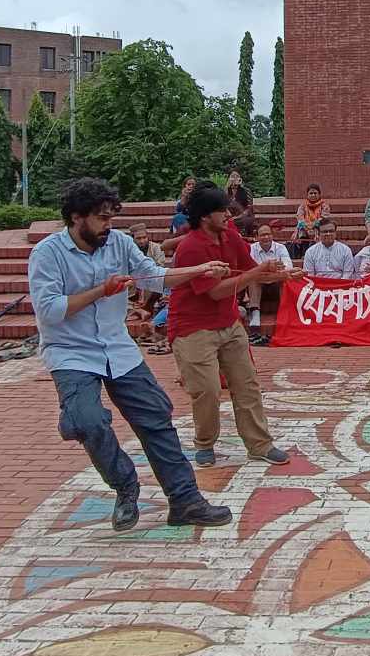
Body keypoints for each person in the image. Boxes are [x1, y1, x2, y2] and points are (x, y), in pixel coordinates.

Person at [29, 177, 233, 531]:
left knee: (156, 416)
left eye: (111, 218)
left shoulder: (119, 243)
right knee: (90, 423)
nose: (109, 226)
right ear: (77, 218)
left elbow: (153, 277)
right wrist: (100, 290)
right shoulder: (47, 254)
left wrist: (198, 270)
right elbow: (49, 310)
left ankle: (184, 499)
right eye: (102, 218)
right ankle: (125, 486)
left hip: (117, 347)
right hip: (70, 352)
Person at [168, 182, 293, 468]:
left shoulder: (230, 237)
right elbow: (216, 291)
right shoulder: (190, 248)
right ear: (204, 217)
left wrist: (284, 275)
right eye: (221, 210)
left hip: (228, 322)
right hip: (192, 328)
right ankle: (205, 443)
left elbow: (251, 271)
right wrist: (257, 274)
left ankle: (260, 444)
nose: (228, 215)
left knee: (247, 384)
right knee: (208, 390)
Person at [245, 222, 293, 333]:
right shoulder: (251, 249)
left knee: (286, 277)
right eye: (262, 235)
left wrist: (264, 272)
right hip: (258, 286)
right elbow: (251, 270)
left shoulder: (281, 248)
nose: (266, 237)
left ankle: (284, 312)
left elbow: (288, 268)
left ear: (272, 235)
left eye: (268, 234)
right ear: (256, 237)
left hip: (276, 285)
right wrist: (272, 270)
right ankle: (255, 312)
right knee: (252, 278)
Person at [291, 183, 332, 258]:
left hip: (319, 227)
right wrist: (307, 225)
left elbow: (324, 217)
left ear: (319, 194)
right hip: (305, 227)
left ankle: (316, 253)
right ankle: (304, 252)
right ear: (307, 195)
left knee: (316, 230)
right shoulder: (303, 205)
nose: (313, 195)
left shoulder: (324, 205)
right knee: (302, 230)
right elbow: (299, 217)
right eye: (311, 193)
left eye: (315, 193)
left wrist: (314, 224)